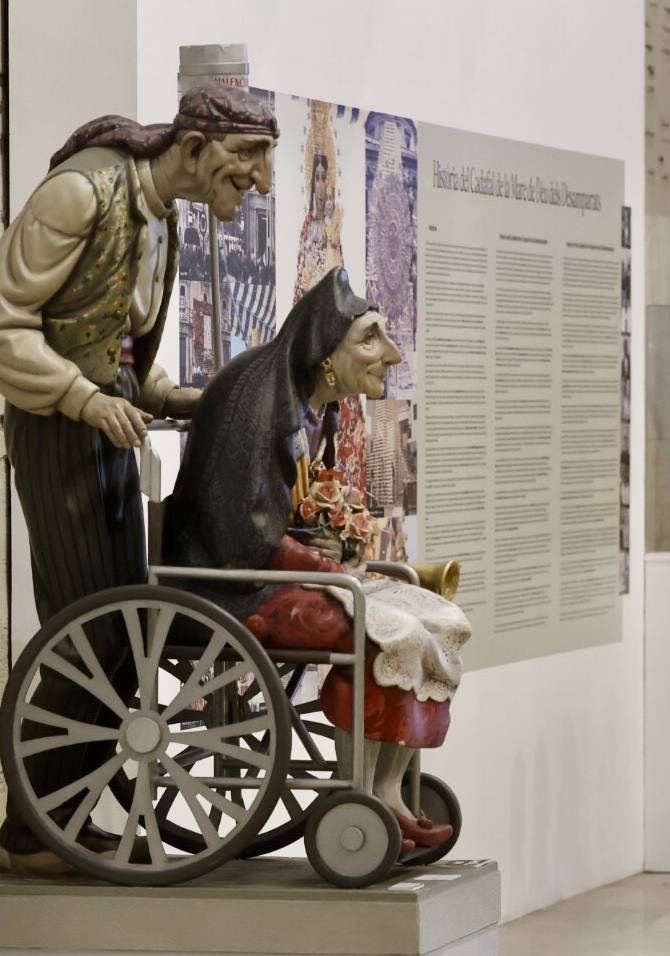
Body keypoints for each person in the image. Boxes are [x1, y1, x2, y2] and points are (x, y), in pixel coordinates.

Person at [0, 82, 277, 877]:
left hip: (108, 428)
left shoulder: (159, 214)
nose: (259, 184)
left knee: (123, 636)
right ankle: (28, 833)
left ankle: (59, 819)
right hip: (59, 433)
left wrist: (165, 392)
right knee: (90, 636)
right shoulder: (80, 194)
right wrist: (78, 397)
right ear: (197, 149)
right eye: (247, 165)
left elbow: (114, 339)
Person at [163, 268, 468, 856]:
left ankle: (388, 791)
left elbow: (278, 513)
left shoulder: (306, 403)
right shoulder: (258, 400)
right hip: (231, 588)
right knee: (387, 633)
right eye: (371, 340)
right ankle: (366, 797)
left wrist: (331, 546)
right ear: (326, 353)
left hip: (268, 571)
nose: (392, 354)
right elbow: (241, 532)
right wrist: (326, 567)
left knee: (440, 620)